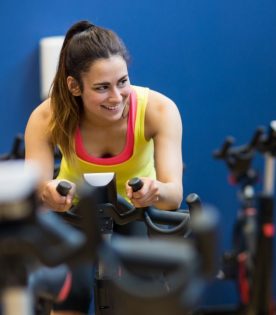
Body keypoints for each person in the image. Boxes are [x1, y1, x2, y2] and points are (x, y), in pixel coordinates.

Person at [24, 20, 183, 315]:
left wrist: (154, 191)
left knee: (140, 290)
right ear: (74, 86)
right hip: (73, 214)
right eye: (102, 87)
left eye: (122, 82)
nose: (116, 97)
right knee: (72, 291)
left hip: (136, 213)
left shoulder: (159, 110)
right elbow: (35, 191)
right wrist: (48, 193)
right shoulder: (47, 117)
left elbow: (173, 194)